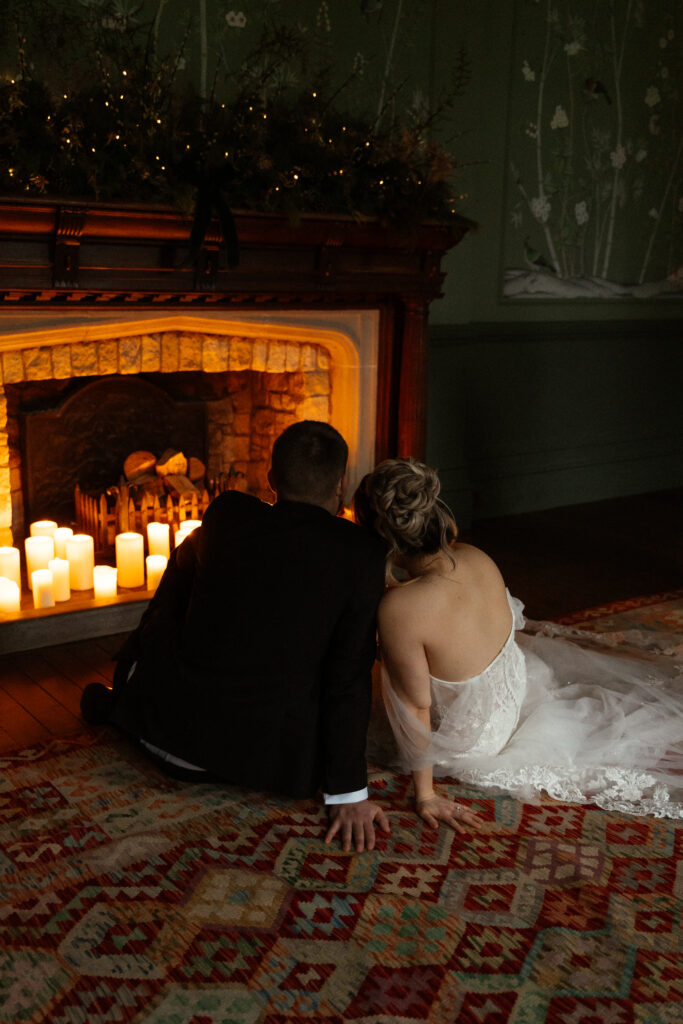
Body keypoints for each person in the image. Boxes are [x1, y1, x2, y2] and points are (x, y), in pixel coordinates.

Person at [81, 421, 390, 852]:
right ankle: (127, 698)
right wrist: (349, 793)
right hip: (271, 765)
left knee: (188, 557)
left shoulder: (227, 513)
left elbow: (176, 598)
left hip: (172, 737)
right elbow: (349, 674)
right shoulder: (363, 553)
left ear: (270, 478)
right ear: (342, 483)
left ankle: (127, 696)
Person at [354, 458, 683, 827]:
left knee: (369, 690)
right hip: (519, 692)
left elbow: (414, 707)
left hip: (471, 743)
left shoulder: (402, 608)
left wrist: (426, 795)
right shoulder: (475, 556)